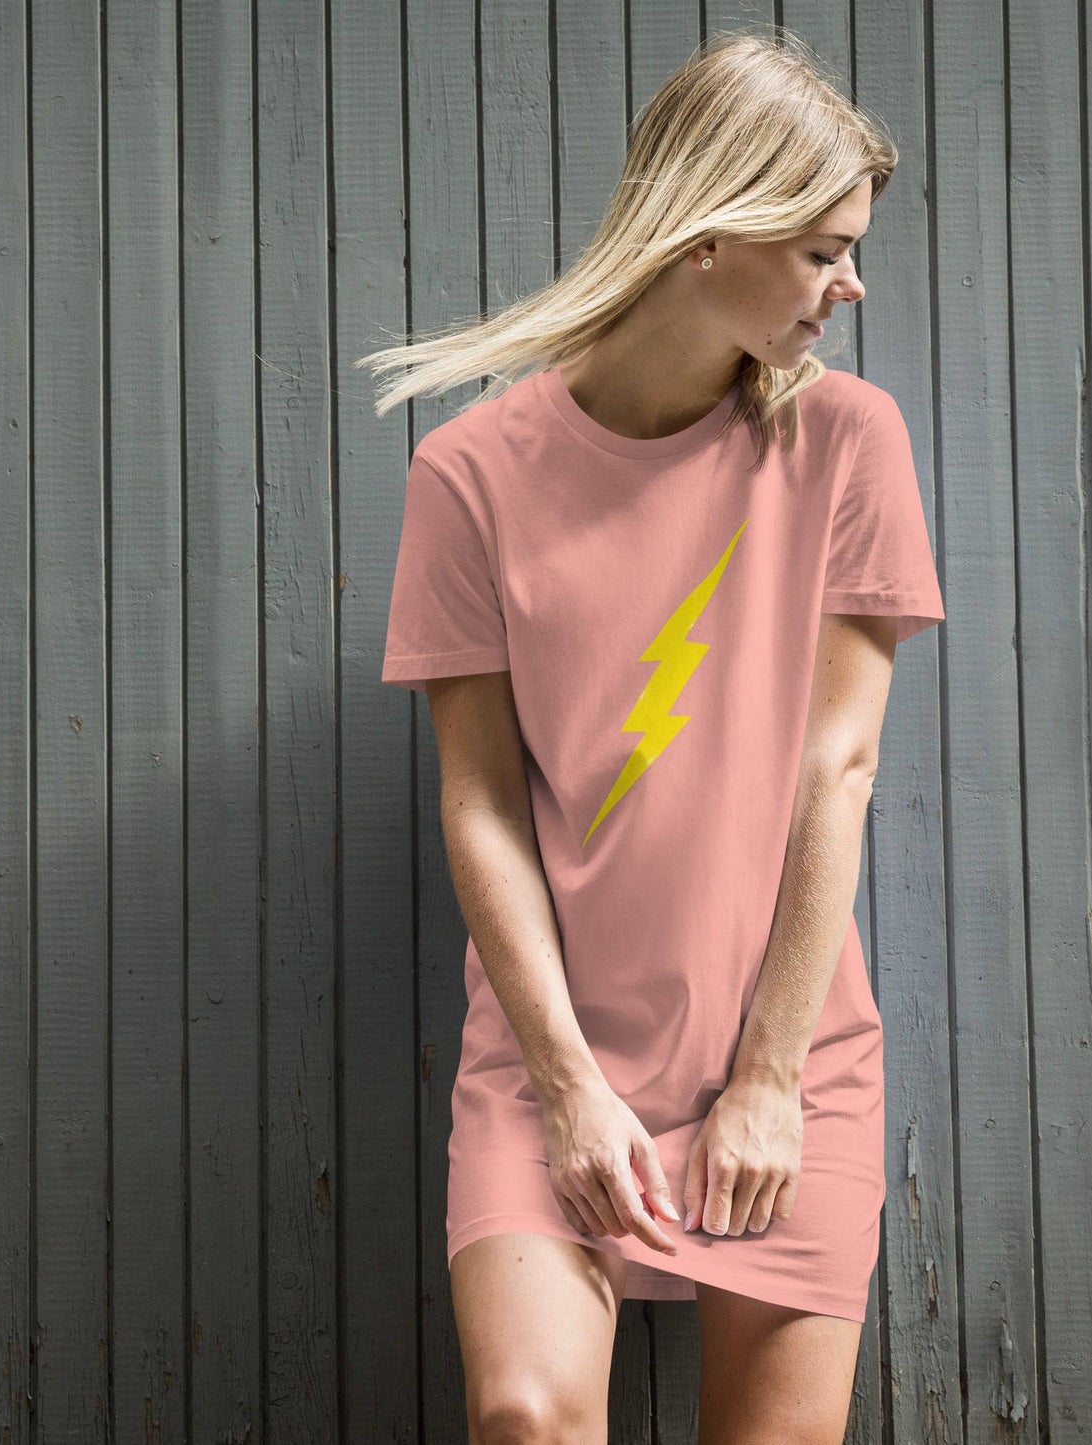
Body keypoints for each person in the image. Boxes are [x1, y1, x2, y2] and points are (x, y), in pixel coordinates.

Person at [357, 28, 944, 1445]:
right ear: (708, 235)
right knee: (525, 1414)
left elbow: (839, 769)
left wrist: (768, 1078)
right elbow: (480, 803)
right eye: (822, 251)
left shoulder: (850, 444)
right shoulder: (470, 475)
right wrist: (568, 1088)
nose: (850, 285)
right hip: (552, 1046)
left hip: (788, 1047)